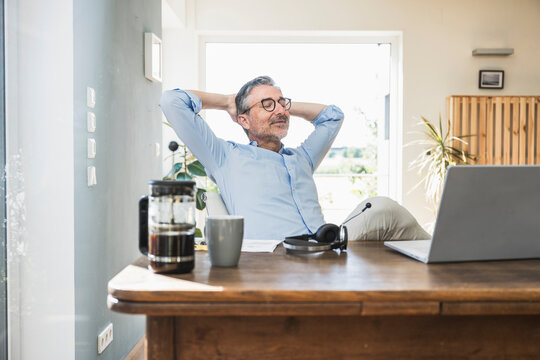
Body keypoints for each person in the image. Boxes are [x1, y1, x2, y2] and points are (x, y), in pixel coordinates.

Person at [160, 76, 429, 241]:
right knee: (382, 209)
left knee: (383, 209)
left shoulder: (302, 157)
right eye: (267, 104)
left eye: (281, 102)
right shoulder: (225, 156)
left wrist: (282, 108)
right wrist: (228, 101)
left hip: (327, 247)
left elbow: (333, 116)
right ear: (243, 119)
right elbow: (172, 101)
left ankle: (445, 261)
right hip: (275, 257)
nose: (279, 110)